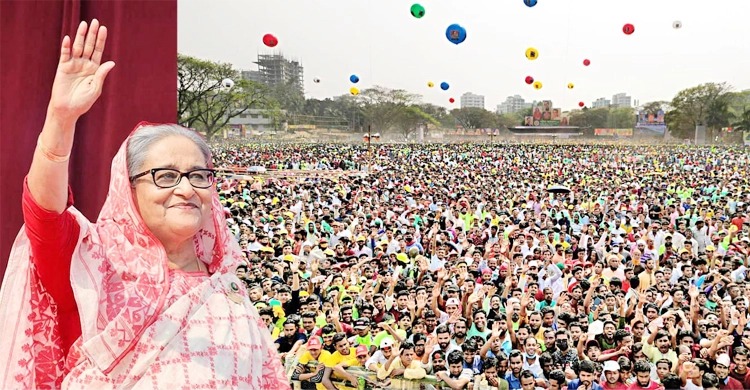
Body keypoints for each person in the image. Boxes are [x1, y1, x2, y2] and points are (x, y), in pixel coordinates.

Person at [0, 20, 287, 388]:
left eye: (198, 175)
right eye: (165, 176)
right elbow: (45, 214)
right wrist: (61, 118)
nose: (186, 189)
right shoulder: (94, 265)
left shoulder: (225, 290)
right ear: (128, 190)